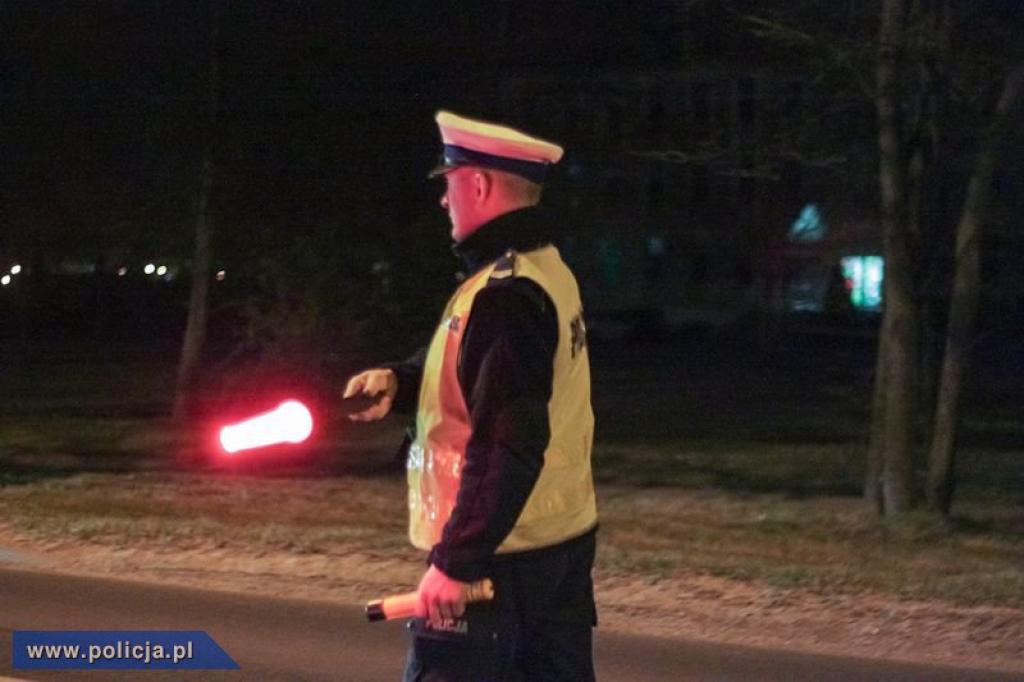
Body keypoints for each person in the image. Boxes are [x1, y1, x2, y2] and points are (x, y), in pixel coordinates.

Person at [344, 110, 597, 681]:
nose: (443, 201)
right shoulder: (542, 270)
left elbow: (508, 442)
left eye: (450, 184)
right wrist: (403, 379)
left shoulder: (504, 296)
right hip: (555, 544)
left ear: (479, 185)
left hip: (498, 563)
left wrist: (457, 562)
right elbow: (486, 371)